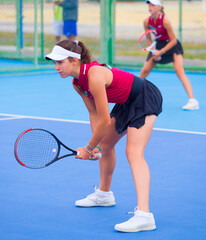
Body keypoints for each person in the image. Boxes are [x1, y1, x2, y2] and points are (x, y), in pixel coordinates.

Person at [45, 39, 163, 233]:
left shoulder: (94, 75)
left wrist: (90, 147)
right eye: (55, 63)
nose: (56, 67)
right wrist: (96, 145)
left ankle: (145, 215)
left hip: (144, 97)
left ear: (74, 61)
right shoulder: (77, 83)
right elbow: (95, 114)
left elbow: (105, 121)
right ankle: (104, 194)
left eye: (60, 62)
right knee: (105, 147)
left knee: (133, 153)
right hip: (126, 102)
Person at [139, 0, 199, 111]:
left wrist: (160, 52)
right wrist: (153, 51)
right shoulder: (146, 21)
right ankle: (130, 96)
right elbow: (148, 38)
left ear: (159, 7)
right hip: (158, 45)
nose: (150, 7)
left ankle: (193, 100)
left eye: (153, 5)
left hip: (171, 45)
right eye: (149, 4)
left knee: (179, 70)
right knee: (144, 71)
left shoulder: (165, 21)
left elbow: (173, 41)